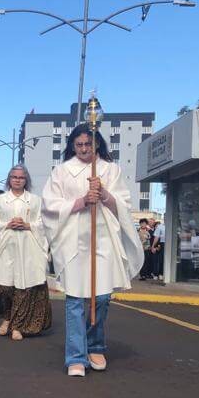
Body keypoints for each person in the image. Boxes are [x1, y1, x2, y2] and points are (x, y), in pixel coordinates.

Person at [42, 123, 143, 377]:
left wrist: (104, 194)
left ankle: (95, 345)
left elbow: (123, 204)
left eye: (88, 144)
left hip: (104, 240)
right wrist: (81, 201)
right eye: (79, 145)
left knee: (101, 298)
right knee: (75, 299)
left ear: (97, 143)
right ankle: (75, 355)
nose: (84, 149)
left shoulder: (110, 170)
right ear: (72, 146)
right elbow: (50, 206)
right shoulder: (62, 171)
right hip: (74, 241)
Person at [0, 166, 51, 340]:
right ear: (9, 179)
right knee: (6, 285)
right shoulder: (0, 201)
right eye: (14, 177)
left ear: (26, 179)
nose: (18, 180)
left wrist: (28, 225)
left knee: (25, 285)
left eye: (21, 177)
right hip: (6, 247)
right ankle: (7, 317)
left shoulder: (35, 200)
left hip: (29, 248)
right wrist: (7, 224)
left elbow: (46, 223)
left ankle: (17, 325)